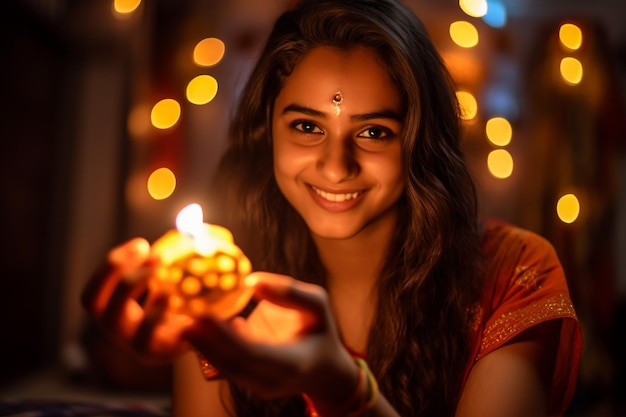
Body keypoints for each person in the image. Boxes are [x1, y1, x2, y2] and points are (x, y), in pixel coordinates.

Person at [81, 0, 583, 416]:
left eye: (373, 132)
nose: (336, 166)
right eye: (307, 126)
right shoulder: (217, 287)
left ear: (420, 142)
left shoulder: (513, 274)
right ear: (266, 131)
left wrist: (340, 386)